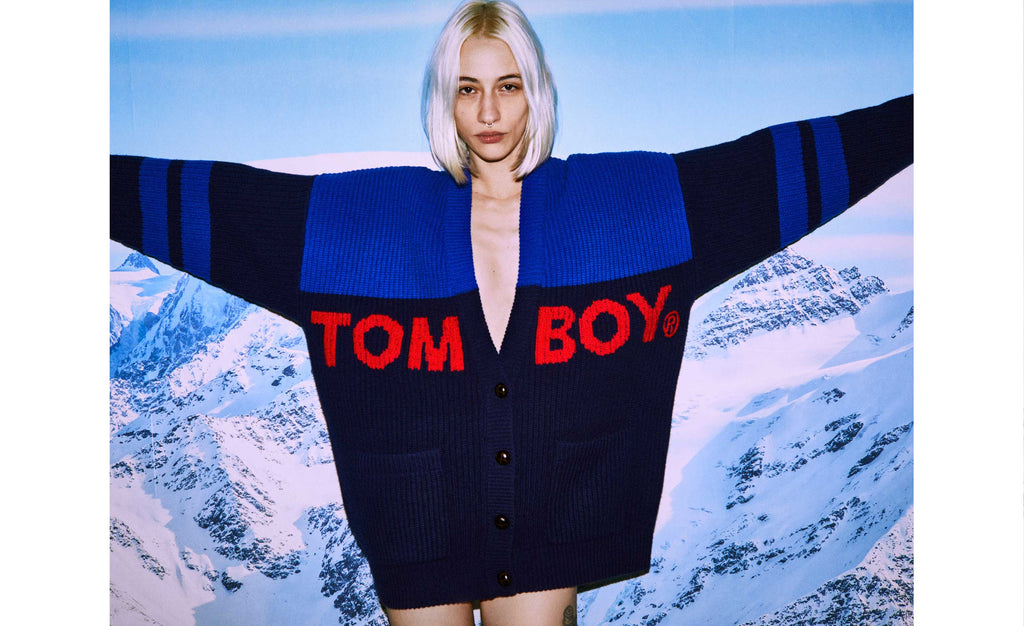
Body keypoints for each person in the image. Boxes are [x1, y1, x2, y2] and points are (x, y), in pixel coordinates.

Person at [110, 1, 912, 624]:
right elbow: (211, 202)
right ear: (444, 100)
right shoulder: (357, 226)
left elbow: (774, 170)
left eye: (507, 86)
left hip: (552, 529)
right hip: (416, 532)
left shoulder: (629, 209)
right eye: (467, 89)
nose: (488, 112)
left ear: (536, 91)